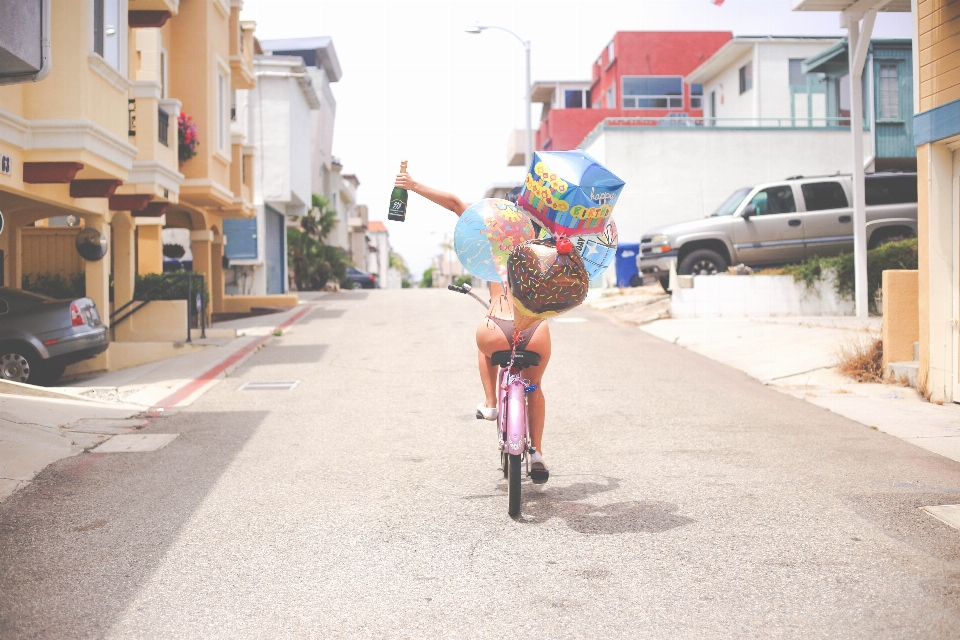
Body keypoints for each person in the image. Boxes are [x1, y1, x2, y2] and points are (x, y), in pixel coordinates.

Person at [393, 171, 550, 480]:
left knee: (485, 344)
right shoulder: (543, 246)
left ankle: (491, 402)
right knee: (536, 387)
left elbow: (453, 204)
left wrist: (413, 186)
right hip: (535, 331)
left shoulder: (493, 240)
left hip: (497, 326)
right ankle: (538, 454)